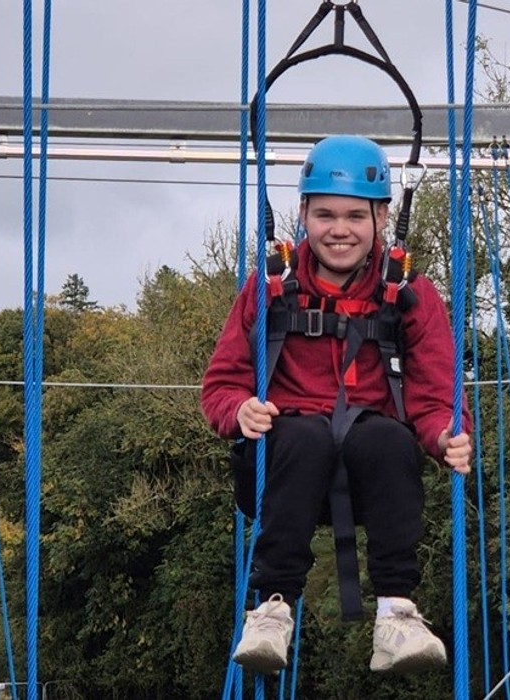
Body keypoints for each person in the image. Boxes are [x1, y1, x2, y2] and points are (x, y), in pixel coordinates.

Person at [201, 135, 473, 675]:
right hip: (290, 467)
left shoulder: (410, 294)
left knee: (388, 435)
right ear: (303, 213)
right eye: (324, 214)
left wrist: (447, 435)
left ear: (380, 218)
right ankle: (273, 608)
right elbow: (222, 384)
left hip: (373, 469)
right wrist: (241, 413)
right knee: (303, 434)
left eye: (355, 215)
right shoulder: (271, 289)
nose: (339, 230)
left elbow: (433, 392)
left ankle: (397, 612)